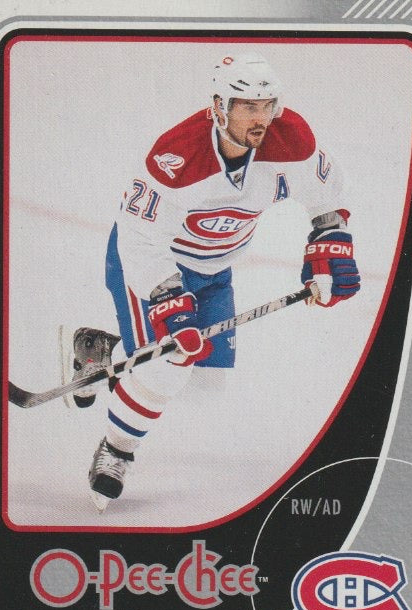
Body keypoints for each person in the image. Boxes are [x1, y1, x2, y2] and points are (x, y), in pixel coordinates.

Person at [71, 52, 360, 511]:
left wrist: (330, 238)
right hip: (148, 265)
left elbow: (326, 192)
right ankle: (116, 451)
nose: (260, 118)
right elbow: (140, 237)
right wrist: (169, 300)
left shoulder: (290, 140)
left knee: (204, 384)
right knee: (169, 365)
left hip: (213, 270)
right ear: (219, 106)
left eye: (267, 105)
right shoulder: (177, 156)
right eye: (247, 106)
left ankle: (102, 352)